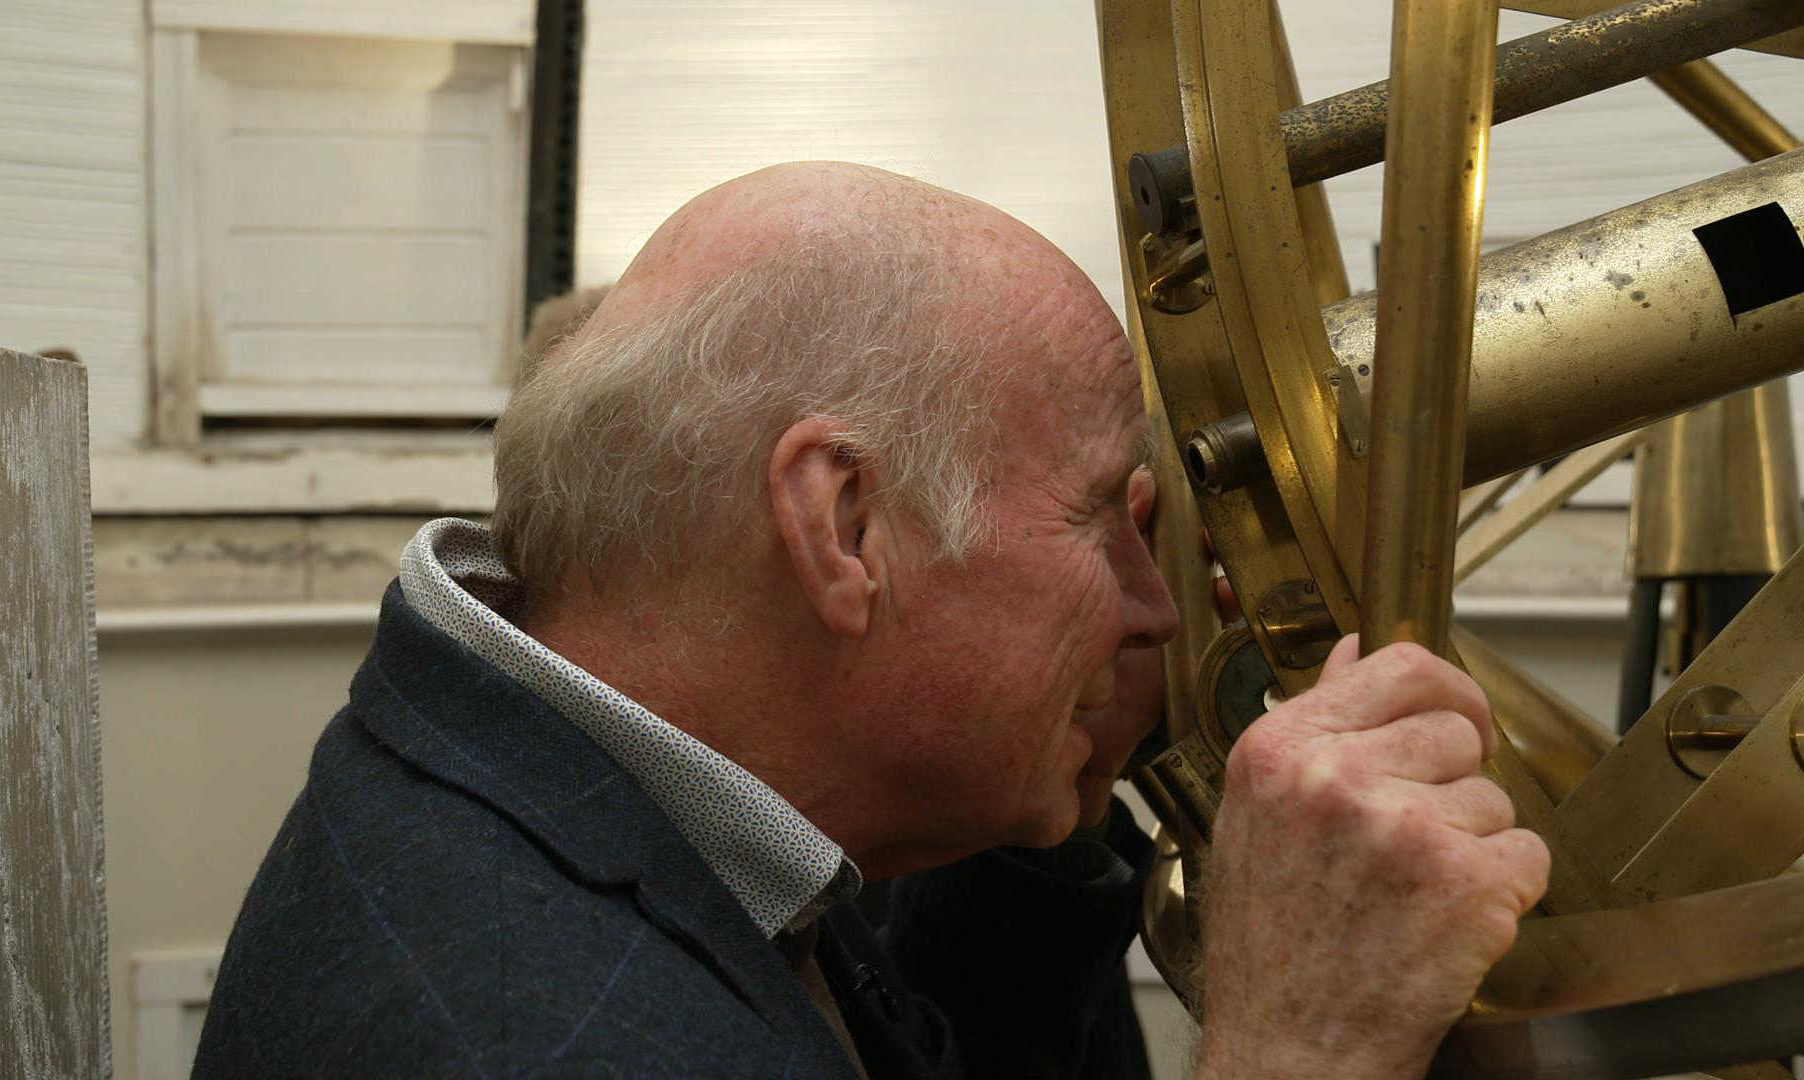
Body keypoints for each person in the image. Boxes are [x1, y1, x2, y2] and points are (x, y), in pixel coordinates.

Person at [192, 162, 1548, 1079]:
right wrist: (1299, 1047)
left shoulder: (602, 788)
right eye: (1097, 522)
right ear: (841, 524)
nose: (1160, 606)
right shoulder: (539, 1036)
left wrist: (1064, 746)